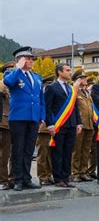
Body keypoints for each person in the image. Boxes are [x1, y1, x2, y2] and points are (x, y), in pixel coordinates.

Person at [3, 46, 45, 191]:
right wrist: (18, 68)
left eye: (31, 58)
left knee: (28, 150)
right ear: (20, 60)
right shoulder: (12, 74)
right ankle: (17, 179)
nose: (31, 60)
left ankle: (27, 178)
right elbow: (8, 83)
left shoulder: (37, 77)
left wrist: (42, 117)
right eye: (27, 58)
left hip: (33, 117)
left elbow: (41, 99)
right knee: (18, 149)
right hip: (18, 118)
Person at [45, 64, 83, 188]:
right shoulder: (52, 87)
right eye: (67, 70)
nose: (70, 72)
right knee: (58, 153)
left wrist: (78, 122)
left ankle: (66, 177)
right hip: (59, 125)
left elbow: (75, 107)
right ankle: (58, 178)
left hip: (71, 124)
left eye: (70, 70)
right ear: (59, 72)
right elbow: (48, 108)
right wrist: (50, 124)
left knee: (68, 152)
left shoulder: (71, 88)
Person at [71, 70, 95, 182]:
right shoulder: (74, 91)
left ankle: (83, 172)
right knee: (77, 150)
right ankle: (74, 173)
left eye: (85, 77)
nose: (85, 79)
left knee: (86, 150)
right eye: (82, 77)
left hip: (89, 125)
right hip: (79, 125)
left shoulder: (87, 93)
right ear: (77, 80)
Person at [0, 62, 14, 190]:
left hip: (17, 123)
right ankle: (3, 180)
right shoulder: (1, 84)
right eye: (8, 71)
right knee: (4, 154)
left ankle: (13, 178)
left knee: (15, 153)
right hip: (4, 123)